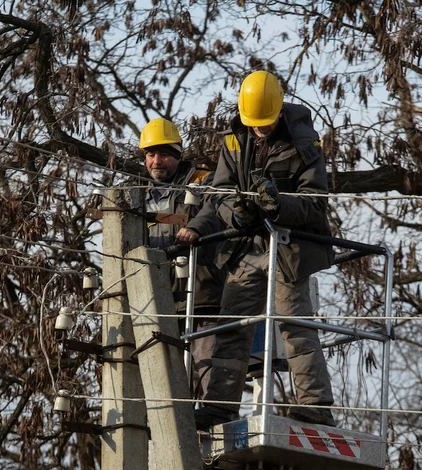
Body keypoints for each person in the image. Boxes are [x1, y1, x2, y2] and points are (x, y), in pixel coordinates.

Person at [175, 71, 336, 428]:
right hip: (246, 248)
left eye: (265, 123)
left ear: (280, 111)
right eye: (254, 123)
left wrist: (279, 205)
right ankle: (220, 407)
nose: (259, 129)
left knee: (294, 327)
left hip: (288, 248)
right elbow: (219, 194)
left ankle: (316, 406)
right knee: (232, 326)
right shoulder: (235, 140)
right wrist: (232, 214)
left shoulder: (306, 146)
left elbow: (314, 202)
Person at [138, 117, 225, 337]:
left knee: (204, 366)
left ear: (178, 155)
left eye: (164, 154)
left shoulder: (203, 180)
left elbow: (216, 205)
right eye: (151, 155)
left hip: (199, 295)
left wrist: (195, 227)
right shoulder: (135, 193)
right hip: (152, 298)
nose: (156, 161)